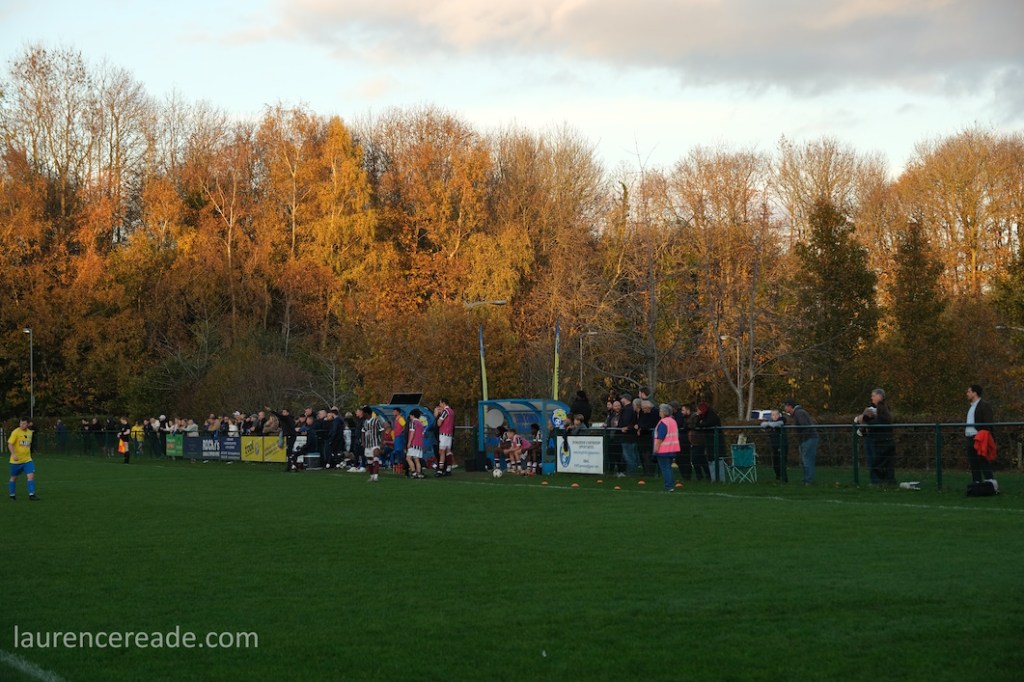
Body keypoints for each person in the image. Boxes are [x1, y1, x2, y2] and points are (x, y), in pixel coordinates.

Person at [856, 389, 895, 484]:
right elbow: (859, 419)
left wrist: (865, 421)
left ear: (880, 396)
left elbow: (880, 421)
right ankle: (883, 480)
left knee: (877, 461)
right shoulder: (871, 408)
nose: (872, 398)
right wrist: (863, 418)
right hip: (873, 437)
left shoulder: (884, 408)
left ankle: (878, 481)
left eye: (873, 395)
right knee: (876, 461)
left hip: (878, 439)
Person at [783, 399, 819, 484]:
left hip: (808, 438)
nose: (784, 408)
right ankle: (807, 479)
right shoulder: (798, 413)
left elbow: (805, 426)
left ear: (789, 406)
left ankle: (808, 480)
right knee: (806, 459)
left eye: (785, 406)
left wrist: (802, 437)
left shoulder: (799, 413)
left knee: (807, 459)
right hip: (807, 438)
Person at [964, 384, 995, 483]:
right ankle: (976, 482)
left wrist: (982, 435)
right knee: (973, 462)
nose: (967, 394)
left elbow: (988, 422)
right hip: (969, 437)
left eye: (969, 392)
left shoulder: (984, 405)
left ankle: (990, 483)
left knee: (983, 460)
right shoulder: (970, 407)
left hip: (979, 437)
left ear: (975, 393)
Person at [8, 417, 38, 501]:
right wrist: (13, 454)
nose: (22, 425)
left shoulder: (30, 432)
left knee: (31, 476)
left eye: (24, 423)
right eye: (21, 423)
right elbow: (10, 444)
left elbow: (28, 444)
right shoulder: (16, 432)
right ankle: (12, 495)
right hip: (16, 461)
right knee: (13, 478)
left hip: (27, 460)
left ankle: (31, 495)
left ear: (28, 424)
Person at [653, 404, 680, 491]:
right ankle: (671, 483)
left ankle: (669, 486)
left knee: (665, 468)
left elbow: (660, 437)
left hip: (663, 449)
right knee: (668, 467)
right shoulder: (673, 421)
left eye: (660, 411)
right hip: (672, 448)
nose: (659, 412)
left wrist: (656, 448)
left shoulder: (663, 422)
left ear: (664, 412)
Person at [760, 409, 788, 482]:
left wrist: (769, 424)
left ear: (779, 415)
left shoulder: (782, 419)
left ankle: (784, 478)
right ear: (771, 416)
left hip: (781, 445)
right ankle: (778, 477)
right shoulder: (770, 421)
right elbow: (762, 425)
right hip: (774, 446)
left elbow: (777, 424)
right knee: (775, 463)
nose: (775, 416)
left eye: (776, 414)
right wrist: (769, 424)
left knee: (781, 462)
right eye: (773, 415)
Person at [362, 406, 387, 483]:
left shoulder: (376, 421)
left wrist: (382, 442)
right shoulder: (365, 422)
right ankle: (372, 476)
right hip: (368, 444)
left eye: (363, 413)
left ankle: (376, 476)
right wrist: (363, 442)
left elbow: (382, 431)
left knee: (375, 458)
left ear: (366, 413)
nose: (362, 414)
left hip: (375, 443)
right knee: (369, 460)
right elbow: (363, 431)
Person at [617, 393, 639, 477]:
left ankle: (631, 473)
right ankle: (632, 471)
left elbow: (626, 421)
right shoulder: (630, 408)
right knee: (631, 455)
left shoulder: (628, 409)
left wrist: (624, 427)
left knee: (628, 455)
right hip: (631, 436)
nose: (620, 400)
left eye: (622, 398)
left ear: (625, 399)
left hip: (627, 436)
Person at [434, 398, 455, 477]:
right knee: (448, 451)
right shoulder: (451, 411)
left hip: (444, 433)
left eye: (440, 403)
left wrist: (437, 415)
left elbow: (439, 423)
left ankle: (440, 469)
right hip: (449, 433)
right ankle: (448, 468)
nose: (440, 405)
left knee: (442, 451)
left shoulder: (445, 411)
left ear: (443, 403)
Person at [406, 409, 427, 479]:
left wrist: (409, 442)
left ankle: (414, 473)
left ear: (412, 415)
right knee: (416, 459)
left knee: (408, 458)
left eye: (410, 415)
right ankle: (419, 473)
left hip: (413, 443)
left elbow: (412, 433)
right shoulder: (421, 424)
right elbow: (423, 435)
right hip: (419, 444)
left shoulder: (413, 422)